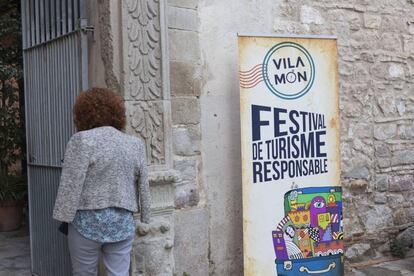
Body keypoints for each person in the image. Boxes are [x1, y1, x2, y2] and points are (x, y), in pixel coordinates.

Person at [52, 87, 151, 276]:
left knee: (84, 273)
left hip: (86, 223)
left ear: (83, 114)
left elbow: (70, 184)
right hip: (121, 223)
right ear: (117, 113)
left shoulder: (81, 140)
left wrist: (63, 215)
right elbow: (143, 184)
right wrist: (146, 215)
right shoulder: (135, 144)